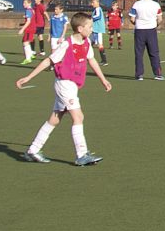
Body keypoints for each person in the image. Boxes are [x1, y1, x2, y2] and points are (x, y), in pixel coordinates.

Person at [14, 13, 111, 165]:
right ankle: (82, 154)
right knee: (78, 117)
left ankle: (33, 150)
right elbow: (49, 61)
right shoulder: (67, 44)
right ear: (80, 28)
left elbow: (91, 60)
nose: (92, 29)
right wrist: (29, 77)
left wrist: (103, 79)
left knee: (55, 119)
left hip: (72, 85)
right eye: (90, 27)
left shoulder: (86, 43)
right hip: (65, 84)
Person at [130, 0, 165, 80]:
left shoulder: (137, 4)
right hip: (151, 31)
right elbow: (160, 19)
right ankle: (158, 74)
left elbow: (132, 19)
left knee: (139, 53)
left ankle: (139, 75)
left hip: (139, 31)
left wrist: (137, 24)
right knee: (154, 53)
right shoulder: (156, 5)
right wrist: (155, 24)